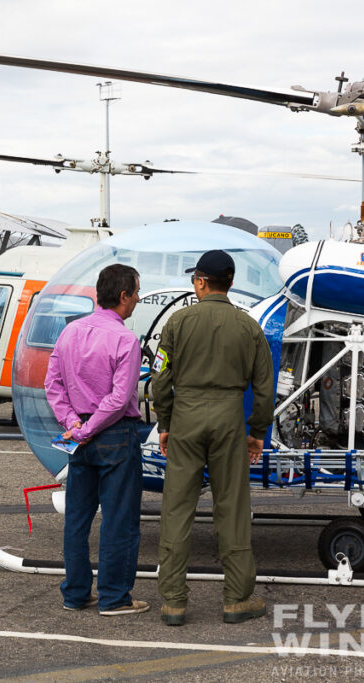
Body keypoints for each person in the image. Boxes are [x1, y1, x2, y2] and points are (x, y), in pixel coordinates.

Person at [151, 250, 274, 627]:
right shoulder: (248, 327)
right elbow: (265, 389)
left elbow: (159, 379)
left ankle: (173, 601)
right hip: (228, 420)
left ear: (201, 282)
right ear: (231, 283)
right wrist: (256, 432)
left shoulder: (178, 321)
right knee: (232, 509)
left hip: (186, 418)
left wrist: (167, 423)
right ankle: (237, 599)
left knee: (176, 507)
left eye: (195, 280)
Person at [44, 264, 149, 617]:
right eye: (136, 292)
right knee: (119, 520)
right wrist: (89, 429)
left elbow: (52, 384)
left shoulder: (70, 332)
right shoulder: (125, 339)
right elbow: (120, 399)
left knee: (77, 518)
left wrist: (74, 424)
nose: (137, 299)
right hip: (115, 434)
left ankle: (75, 593)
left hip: (77, 437)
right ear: (123, 297)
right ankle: (114, 597)